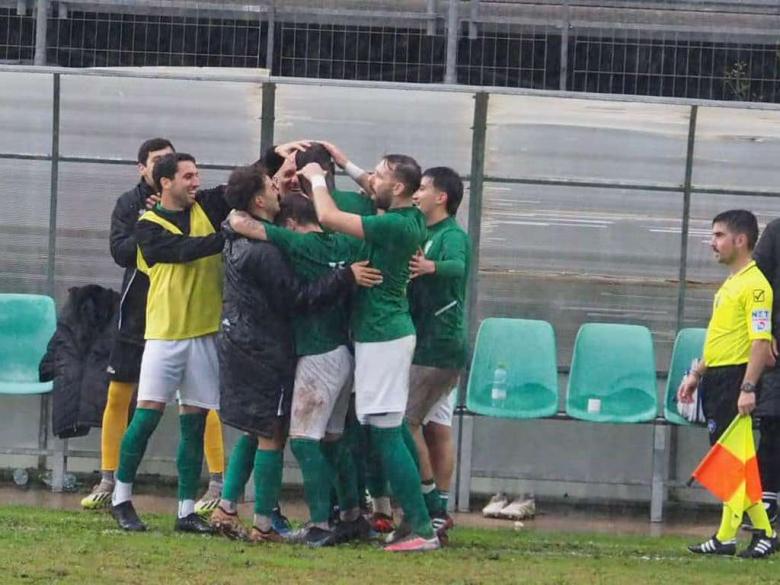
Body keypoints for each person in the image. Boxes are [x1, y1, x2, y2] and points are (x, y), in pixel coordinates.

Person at [210, 165, 380, 543]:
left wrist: (234, 220)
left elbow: (236, 222)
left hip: (276, 347)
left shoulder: (261, 242)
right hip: (286, 348)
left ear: (289, 223)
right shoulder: (334, 245)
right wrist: (345, 276)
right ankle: (338, 515)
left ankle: (276, 520)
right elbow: (297, 297)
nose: (276, 187)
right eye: (271, 186)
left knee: (271, 434)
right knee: (283, 433)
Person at [301, 153, 440, 552]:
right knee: (389, 429)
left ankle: (421, 528)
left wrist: (316, 179)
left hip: (384, 335)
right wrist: (341, 159)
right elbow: (369, 184)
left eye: (379, 175)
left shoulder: (394, 225)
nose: (370, 179)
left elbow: (328, 217)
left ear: (397, 188)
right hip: (385, 334)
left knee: (385, 431)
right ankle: (418, 520)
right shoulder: (407, 212)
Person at [81, 138, 226, 513]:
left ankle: (192, 504)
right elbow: (162, 251)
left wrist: (281, 160)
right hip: (152, 326)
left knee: (198, 414)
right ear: (152, 174)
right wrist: (227, 236)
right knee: (138, 407)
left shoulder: (204, 207)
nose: (195, 181)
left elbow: (240, 187)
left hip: (202, 332)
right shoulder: (143, 218)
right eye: (185, 173)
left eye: (196, 173)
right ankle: (116, 488)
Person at [679, 209, 778, 558]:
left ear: (741, 240)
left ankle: (743, 535)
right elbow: (720, 337)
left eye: (719, 236)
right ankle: (745, 535)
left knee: (729, 463)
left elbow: (760, 341)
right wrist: (697, 373)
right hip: (717, 377)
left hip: (735, 379)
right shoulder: (732, 282)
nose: (712, 243)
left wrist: (748, 388)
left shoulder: (756, 286)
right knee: (734, 464)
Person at [407, 166, 471, 540]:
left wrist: (432, 266)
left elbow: (459, 267)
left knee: (408, 422)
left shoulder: (451, 236)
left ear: (441, 197)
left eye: (424, 188)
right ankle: (439, 509)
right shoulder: (421, 229)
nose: (417, 194)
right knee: (433, 424)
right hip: (423, 341)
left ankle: (433, 502)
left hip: (439, 346)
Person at [749, 217, 780, 525]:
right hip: (777, 352)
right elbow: (759, 284)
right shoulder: (776, 232)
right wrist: (766, 330)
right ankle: (766, 501)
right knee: (773, 425)